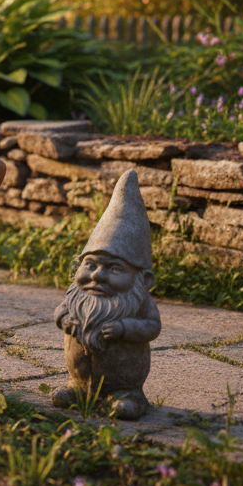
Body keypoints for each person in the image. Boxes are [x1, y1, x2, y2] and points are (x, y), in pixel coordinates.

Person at [52, 170, 161, 420]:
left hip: (124, 380)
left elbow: (152, 326)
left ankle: (128, 395)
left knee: (124, 406)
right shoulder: (78, 298)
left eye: (114, 268)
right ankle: (78, 388)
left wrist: (124, 328)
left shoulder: (139, 301)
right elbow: (60, 311)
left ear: (142, 280)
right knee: (64, 395)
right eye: (90, 265)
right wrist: (65, 320)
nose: (98, 276)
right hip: (81, 375)